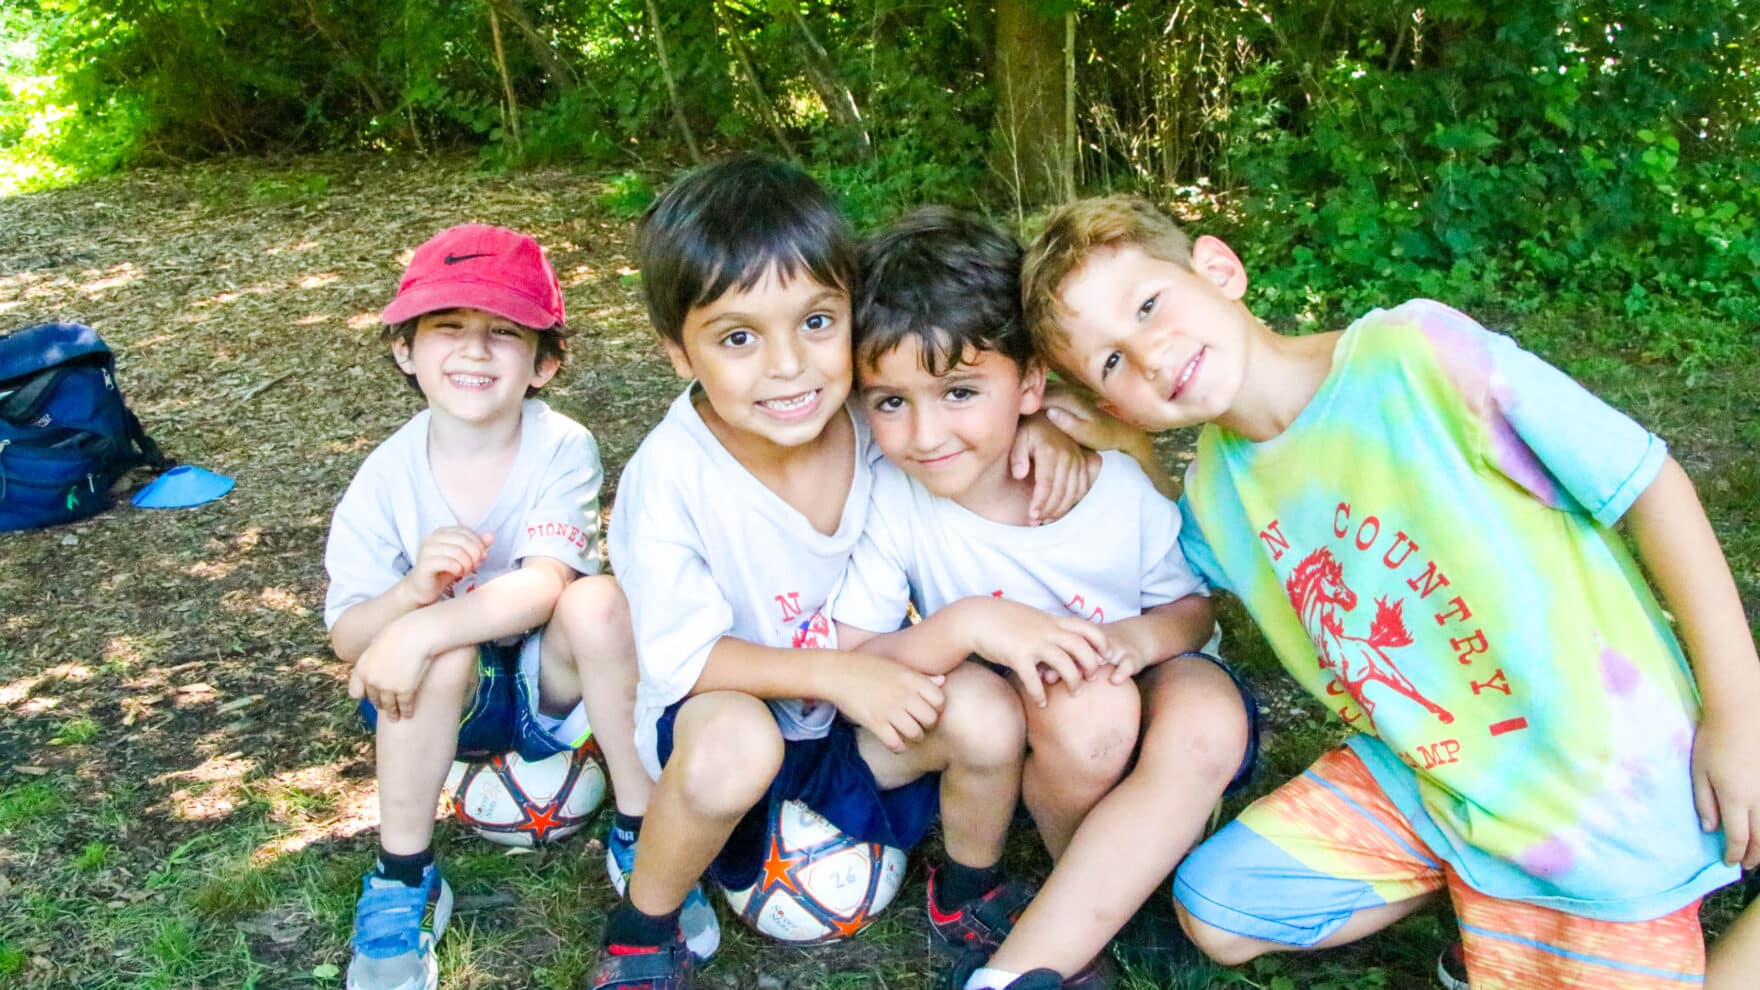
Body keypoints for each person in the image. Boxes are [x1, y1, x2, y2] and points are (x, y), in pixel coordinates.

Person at [1019, 195, 1760, 989]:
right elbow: (1177, 559)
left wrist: (1738, 709)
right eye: (1110, 363)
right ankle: (1467, 875)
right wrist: (1120, 449)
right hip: (1429, 774)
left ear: (1218, 269)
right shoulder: (1213, 489)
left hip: (1593, 783)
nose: (1151, 356)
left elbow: (1648, 485)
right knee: (1217, 910)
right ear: (1109, 403)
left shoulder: (1417, 356)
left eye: (1149, 305)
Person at [588, 157, 1094, 990]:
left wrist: (1044, 435)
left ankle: (965, 889)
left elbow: (972, 410)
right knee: (733, 747)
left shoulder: (875, 418)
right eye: (739, 337)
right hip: (728, 718)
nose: (789, 366)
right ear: (679, 352)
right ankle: (643, 926)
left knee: (985, 715)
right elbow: (685, 659)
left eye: (817, 322)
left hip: (856, 719)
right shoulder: (670, 479)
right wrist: (840, 673)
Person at [827, 207, 1258, 990]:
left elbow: (1194, 613)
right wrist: (970, 625)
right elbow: (859, 662)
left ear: (1030, 383)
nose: (925, 434)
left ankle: (1109, 898)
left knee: (1206, 716)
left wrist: (1131, 643)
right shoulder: (894, 500)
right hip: (1054, 726)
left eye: (959, 391)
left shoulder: (1112, 490)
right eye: (889, 402)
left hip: (1161, 671)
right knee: (1088, 709)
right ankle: (1087, 910)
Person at [323, 224, 657, 990]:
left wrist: (423, 626)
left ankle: (645, 831)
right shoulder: (384, 478)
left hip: (550, 688)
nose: (474, 351)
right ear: (406, 350)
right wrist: (411, 598)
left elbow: (547, 584)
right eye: (448, 328)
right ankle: (404, 879)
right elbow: (349, 635)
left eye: (503, 333)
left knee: (600, 601)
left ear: (545, 363)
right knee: (438, 656)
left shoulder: (561, 445)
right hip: (451, 706)